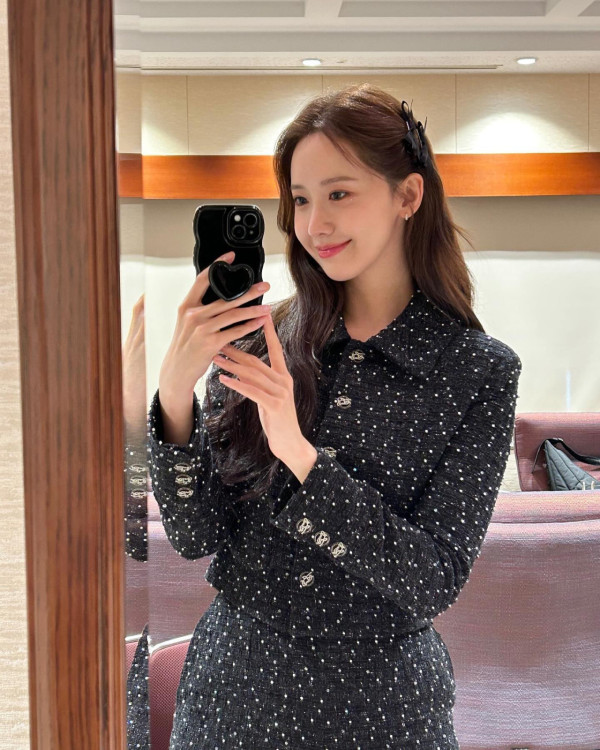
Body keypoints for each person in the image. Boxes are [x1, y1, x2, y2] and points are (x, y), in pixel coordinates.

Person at [147, 83, 522, 749]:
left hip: (382, 711)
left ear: (408, 195)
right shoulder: (260, 337)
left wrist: (299, 454)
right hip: (232, 699)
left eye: (339, 193)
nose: (314, 223)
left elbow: (432, 579)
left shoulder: (477, 370)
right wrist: (175, 395)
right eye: (299, 199)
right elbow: (196, 534)